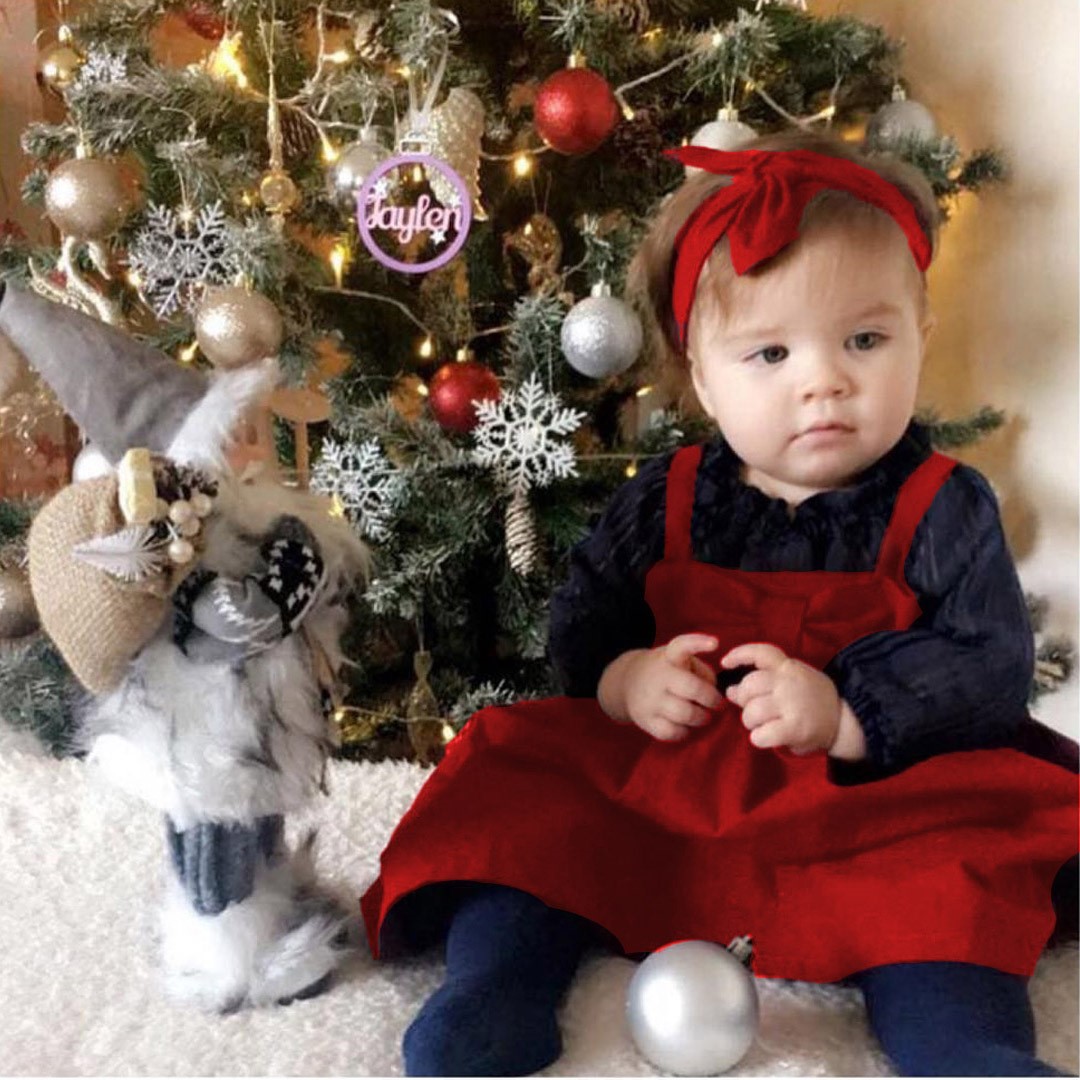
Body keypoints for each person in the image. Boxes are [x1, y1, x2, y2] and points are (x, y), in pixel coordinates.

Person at [360, 128, 1079, 1077]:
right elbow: (585, 614)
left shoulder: (943, 504)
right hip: (671, 787)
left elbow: (990, 663)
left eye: (866, 340)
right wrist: (627, 679)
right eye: (770, 352)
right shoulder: (668, 496)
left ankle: (965, 1045)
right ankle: (494, 988)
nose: (824, 380)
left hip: (874, 803)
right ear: (702, 376)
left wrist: (849, 711)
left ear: (921, 336)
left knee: (946, 882)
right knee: (526, 810)